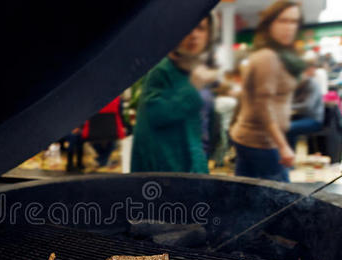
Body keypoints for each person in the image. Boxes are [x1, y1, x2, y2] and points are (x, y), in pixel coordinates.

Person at [131, 14, 217, 173]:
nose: (194, 34)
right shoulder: (162, 70)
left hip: (195, 160)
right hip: (170, 168)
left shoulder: (194, 68)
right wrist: (193, 87)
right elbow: (156, 116)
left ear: (209, 34)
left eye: (201, 28)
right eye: (188, 27)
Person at [229, 1, 304, 182]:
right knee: (281, 199)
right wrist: (283, 146)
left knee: (245, 193)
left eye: (294, 22)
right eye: (283, 21)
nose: (289, 28)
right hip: (261, 140)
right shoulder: (268, 56)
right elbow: (263, 105)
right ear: (270, 23)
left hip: (251, 136)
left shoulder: (275, 55)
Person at [286, 61, 324, 151]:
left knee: (288, 128)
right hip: (301, 117)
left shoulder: (312, 85)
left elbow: (307, 107)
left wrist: (286, 107)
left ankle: (289, 159)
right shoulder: (299, 84)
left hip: (313, 120)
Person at [81, 96, 126, 167]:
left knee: (95, 142)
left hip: (93, 128)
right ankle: (103, 160)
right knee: (112, 144)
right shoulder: (116, 97)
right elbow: (120, 112)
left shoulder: (90, 98)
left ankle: (101, 160)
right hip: (112, 128)